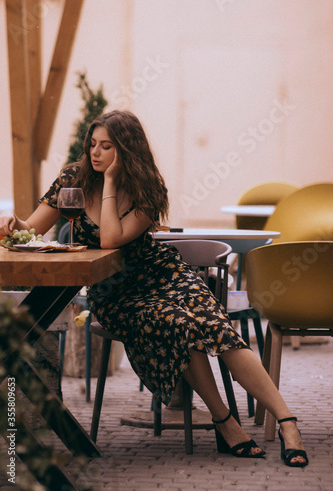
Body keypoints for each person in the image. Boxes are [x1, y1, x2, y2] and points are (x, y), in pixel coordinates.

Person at [0, 110, 308, 466]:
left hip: (164, 276)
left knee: (218, 330)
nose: (95, 154)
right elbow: (33, 227)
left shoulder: (147, 189)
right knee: (179, 325)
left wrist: (112, 182)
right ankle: (225, 421)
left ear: (127, 151)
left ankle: (287, 423)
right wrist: (15, 223)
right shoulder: (74, 178)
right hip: (118, 295)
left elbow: (111, 238)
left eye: (106, 147)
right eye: (93, 145)